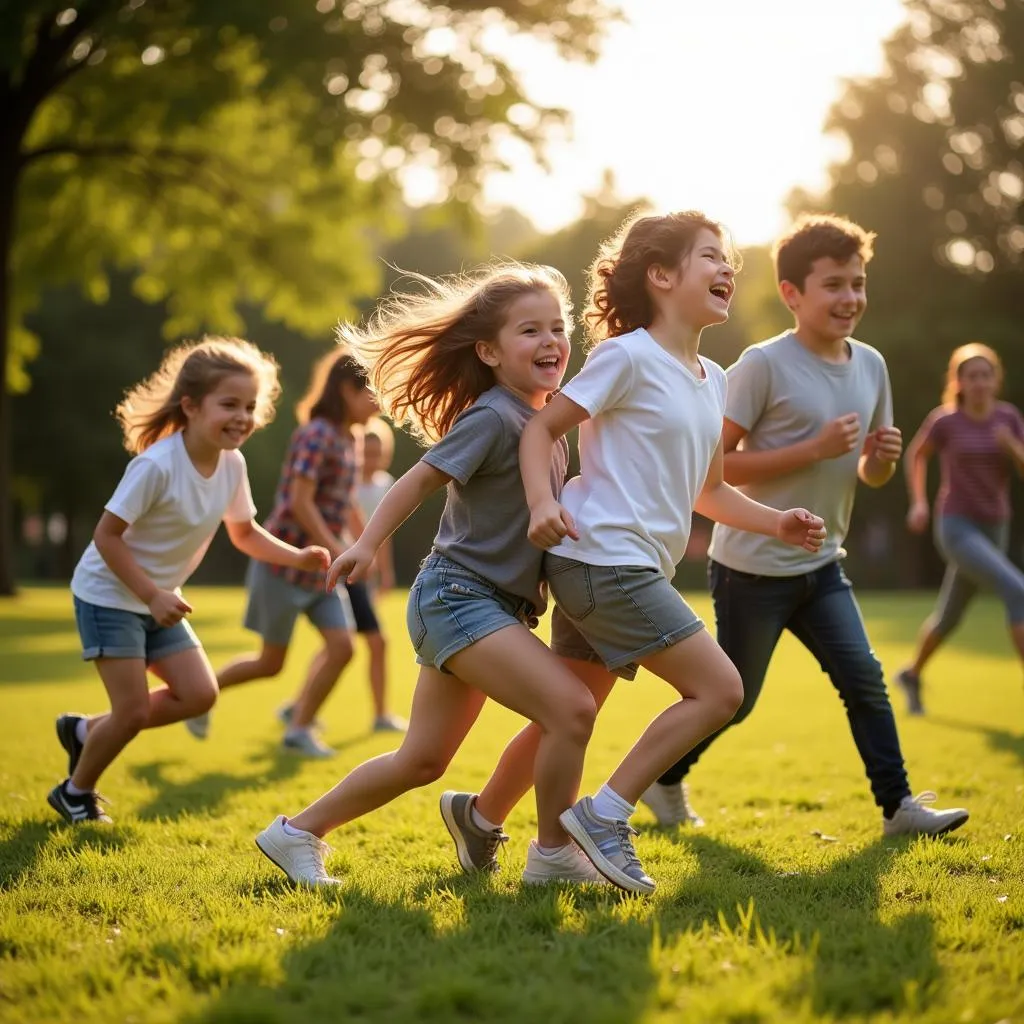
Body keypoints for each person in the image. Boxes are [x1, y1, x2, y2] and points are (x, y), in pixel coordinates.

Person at [440, 211, 827, 895]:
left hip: (628, 564)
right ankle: (606, 814)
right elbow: (541, 432)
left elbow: (710, 492)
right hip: (602, 559)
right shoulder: (626, 354)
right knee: (720, 689)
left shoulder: (712, 377)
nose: (727, 268)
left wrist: (777, 523)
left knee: (568, 713)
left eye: (727, 256)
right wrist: (540, 504)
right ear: (661, 274)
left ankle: (484, 819)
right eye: (711, 255)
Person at [254, 262, 618, 889]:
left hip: (488, 608)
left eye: (557, 328)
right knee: (572, 708)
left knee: (421, 759)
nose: (551, 341)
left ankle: (294, 834)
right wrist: (366, 544)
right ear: (489, 351)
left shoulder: (549, 422)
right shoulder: (494, 416)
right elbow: (418, 480)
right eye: (529, 330)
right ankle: (555, 853)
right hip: (458, 597)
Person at [640, 214, 969, 837]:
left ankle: (899, 808)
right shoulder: (761, 366)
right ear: (792, 294)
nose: (851, 299)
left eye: (859, 284)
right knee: (733, 703)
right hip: (751, 569)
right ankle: (661, 780)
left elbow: (867, 476)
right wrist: (809, 451)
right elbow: (714, 468)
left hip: (822, 565)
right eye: (834, 285)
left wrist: (879, 462)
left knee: (865, 682)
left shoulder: (871, 365)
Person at [52, 338, 330, 823]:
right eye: (229, 404)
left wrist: (298, 557)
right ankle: (76, 791)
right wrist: (152, 594)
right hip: (110, 595)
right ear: (191, 405)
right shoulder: (156, 465)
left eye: (249, 406)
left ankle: (86, 732)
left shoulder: (232, 464)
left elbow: (244, 533)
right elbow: (107, 536)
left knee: (200, 694)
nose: (242, 417)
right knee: (133, 710)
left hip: (159, 600)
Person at [186, 350, 380, 757]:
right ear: (347, 390)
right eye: (371, 393)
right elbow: (299, 502)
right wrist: (335, 544)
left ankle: (299, 728)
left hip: (322, 569)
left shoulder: (352, 439)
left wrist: (365, 542)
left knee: (342, 648)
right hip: (284, 565)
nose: (378, 403)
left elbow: (345, 501)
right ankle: (196, 695)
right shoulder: (316, 435)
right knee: (269, 663)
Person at [896, 343, 1024, 713]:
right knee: (1017, 589)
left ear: (995, 379)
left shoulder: (1009, 418)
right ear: (959, 382)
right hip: (955, 524)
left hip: (995, 525)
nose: (980, 382)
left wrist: (1012, 446)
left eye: (986, 375)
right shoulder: (945, 421)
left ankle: (912, 673)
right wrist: (919, 502)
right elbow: (917, 456)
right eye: (972, 376)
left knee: (950, 615)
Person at [351, 420, 407, 732]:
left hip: (366, 574)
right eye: (365, 452)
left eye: (377, 452)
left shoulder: (387, 485)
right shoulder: (348, 485)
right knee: (371, 642)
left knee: (343, 642)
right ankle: (381, 715)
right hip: (347, 570)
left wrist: (386, 573)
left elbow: (384, 534)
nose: (371, 459)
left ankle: (297, 709)